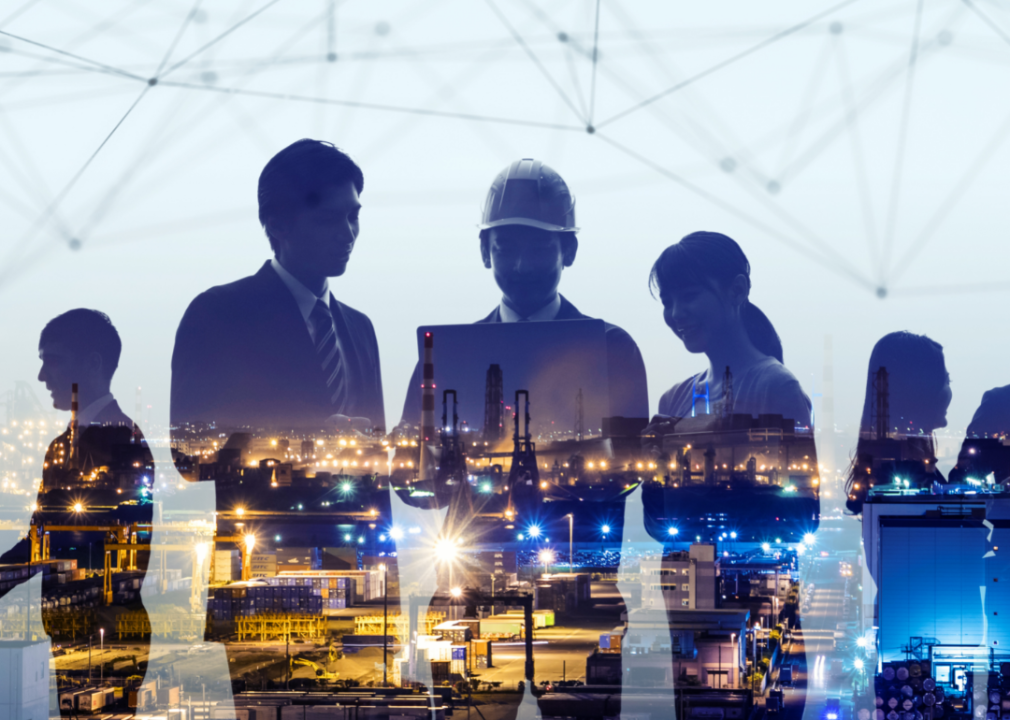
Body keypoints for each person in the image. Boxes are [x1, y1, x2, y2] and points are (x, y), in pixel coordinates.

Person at [399, 158, 648, 424]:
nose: (522, 266)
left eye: (539, 248)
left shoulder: (613, 350)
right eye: (506, 249)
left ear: (570, 250)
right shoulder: (443, 358)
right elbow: (411, 460)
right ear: (485, 252)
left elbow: (633, 457)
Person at [171, 139, 385, 434]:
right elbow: (187, 450)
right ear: (277, 226)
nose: (347, 234)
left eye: (353, 216)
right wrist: (307, 439)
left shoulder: (361, 329)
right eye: (327, 219)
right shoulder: (216, 315)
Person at [0, 310, 154, 716]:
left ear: (93, 364)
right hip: (62, 617)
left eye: (53, 360)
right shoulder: (58, 446)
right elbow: (39, 533)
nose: (41, 376)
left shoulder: (128, 442)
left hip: (108, 618)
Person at [648, 231, 810, 427]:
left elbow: (799, 458)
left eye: (689, 296)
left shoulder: (776, 387)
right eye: (667, 302)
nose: (676, 314)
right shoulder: (672, 399)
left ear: (737, 290)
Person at [844, 331, 950, 514]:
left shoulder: (889, 464)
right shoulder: (908, 473)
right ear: (922, 390)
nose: (949, 391)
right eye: (947, 381)